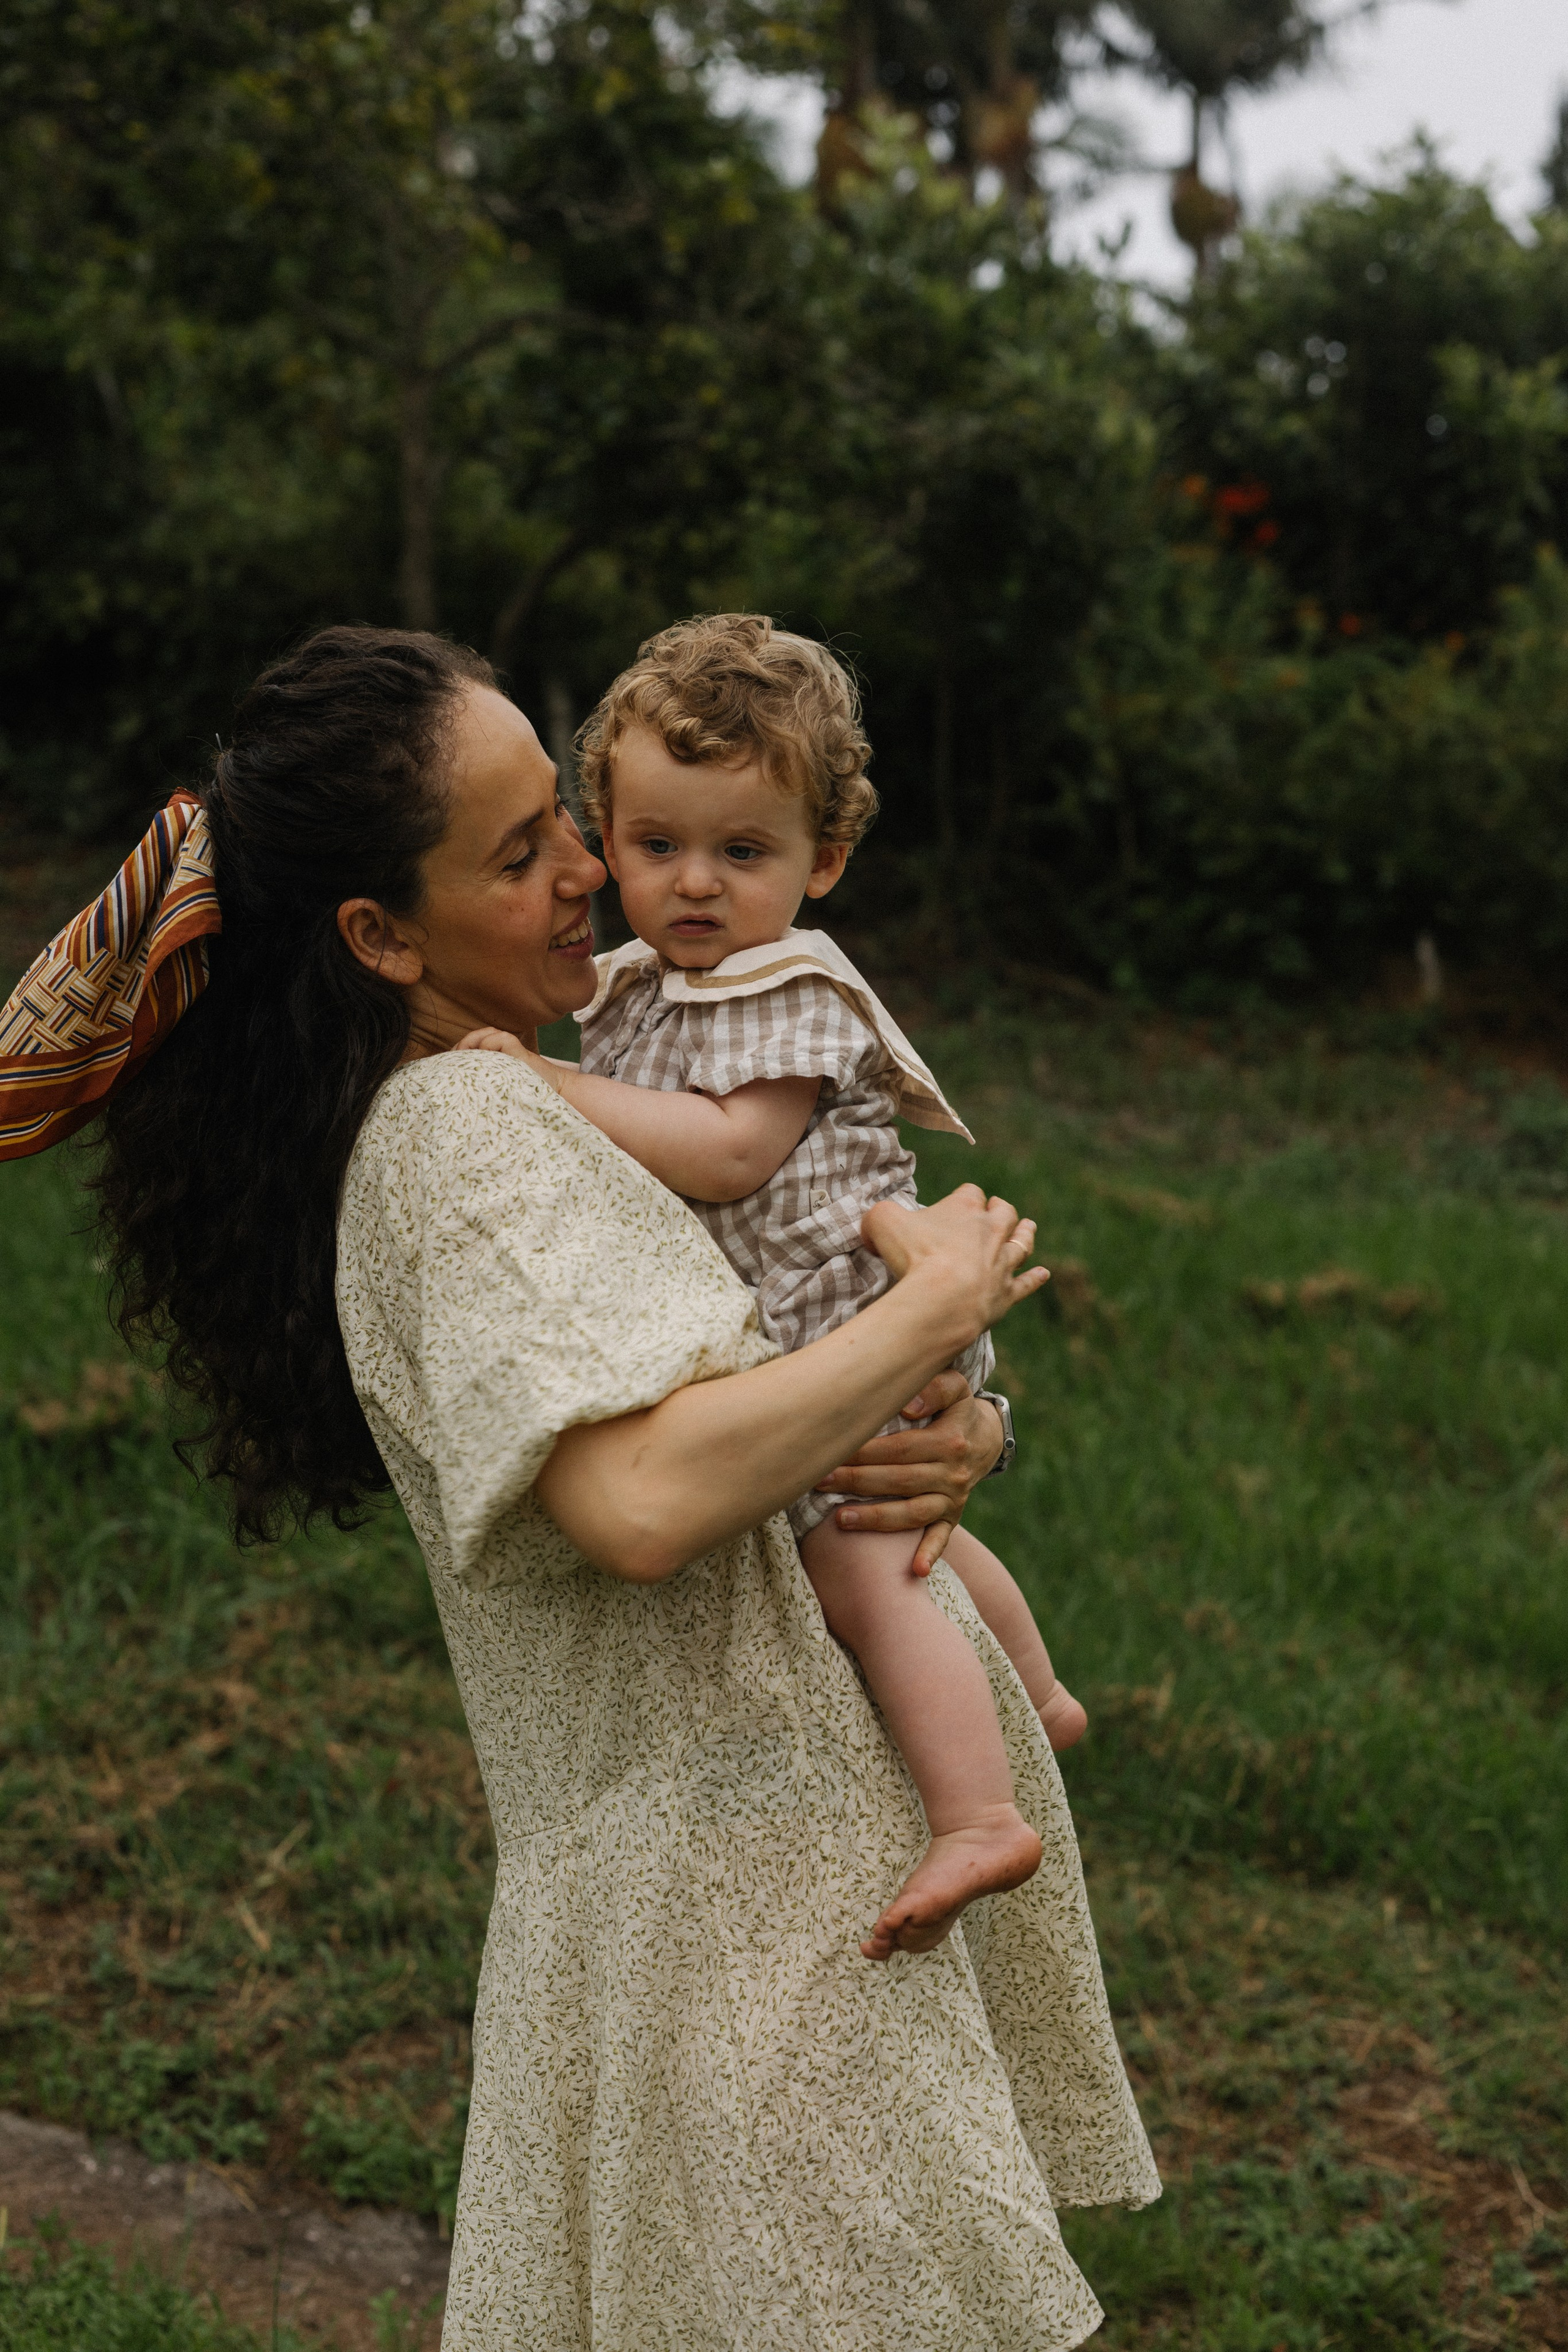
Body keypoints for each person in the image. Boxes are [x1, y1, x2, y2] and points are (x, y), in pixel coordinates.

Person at [0, 625, 1158, 2349]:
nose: (584, 875)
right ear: (382, 937)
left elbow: (746, 1369)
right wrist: (937, 1304)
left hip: (755, 1895)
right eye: (524, 846)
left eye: (564, 817)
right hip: (738, 1932)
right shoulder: (463, 1130)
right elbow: (638, 1503)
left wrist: (951, 1425)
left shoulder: (552, 1092)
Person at [458, 612, 1087, 1967]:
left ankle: (976, 1813)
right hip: (818, 1325)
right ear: (605, 835)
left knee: (859, 1564)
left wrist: (543, 1084)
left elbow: (732, 1154)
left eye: (743, 853)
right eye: (655, 845)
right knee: (907, 1533)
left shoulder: (784, 990)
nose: (693, 886)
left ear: (825, 862)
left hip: (846, 1314)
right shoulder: (642, 982)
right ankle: (1033, 1687)